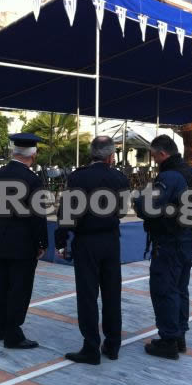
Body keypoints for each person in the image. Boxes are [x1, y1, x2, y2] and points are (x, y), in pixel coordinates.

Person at [55, 136, 130, 365]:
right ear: (111, 156)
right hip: (111, 241)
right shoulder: (120, 178)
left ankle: (91, 347)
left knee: (88, 295)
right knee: (112, 293)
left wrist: (61, 240)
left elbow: (67, 213)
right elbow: (122, 211)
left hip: (86, 241)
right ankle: (113, 345)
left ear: (92, 153)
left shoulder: (78, 177)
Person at [134, 134, 192, 360]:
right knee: (181, 288)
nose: (154, 161)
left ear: (162, 154)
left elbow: (148, 207)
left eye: (154, 156)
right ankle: (179, 335)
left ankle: (168, 341)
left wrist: (138, 199)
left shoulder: (170, 176)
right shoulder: (190, 172)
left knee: (164, 289)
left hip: (170, 241)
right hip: (188, 239)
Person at [0, 133, 48, 349]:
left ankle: (1, 328)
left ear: (14, 152)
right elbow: (38, 216)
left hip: (4, 238)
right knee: (20, 288)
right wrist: (42, 242)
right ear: (33, 154)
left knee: (4, 285)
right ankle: (13, 334)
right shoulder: (33, 180)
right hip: (24, 242)